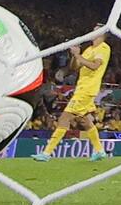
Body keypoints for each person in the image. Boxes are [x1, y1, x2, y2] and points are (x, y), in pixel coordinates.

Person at [32, 29, 110, 163]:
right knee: (84, 120)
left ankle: (47, 153)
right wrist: (74, 54)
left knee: (65, 118)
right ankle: (100, 151)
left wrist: (79, 56)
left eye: (95, 31)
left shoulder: (103, 48)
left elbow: (95, 66)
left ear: (101, 34)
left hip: (87, 90)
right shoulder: (89, 49)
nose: (91, 32)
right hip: (81, 88)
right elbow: (75, 67)